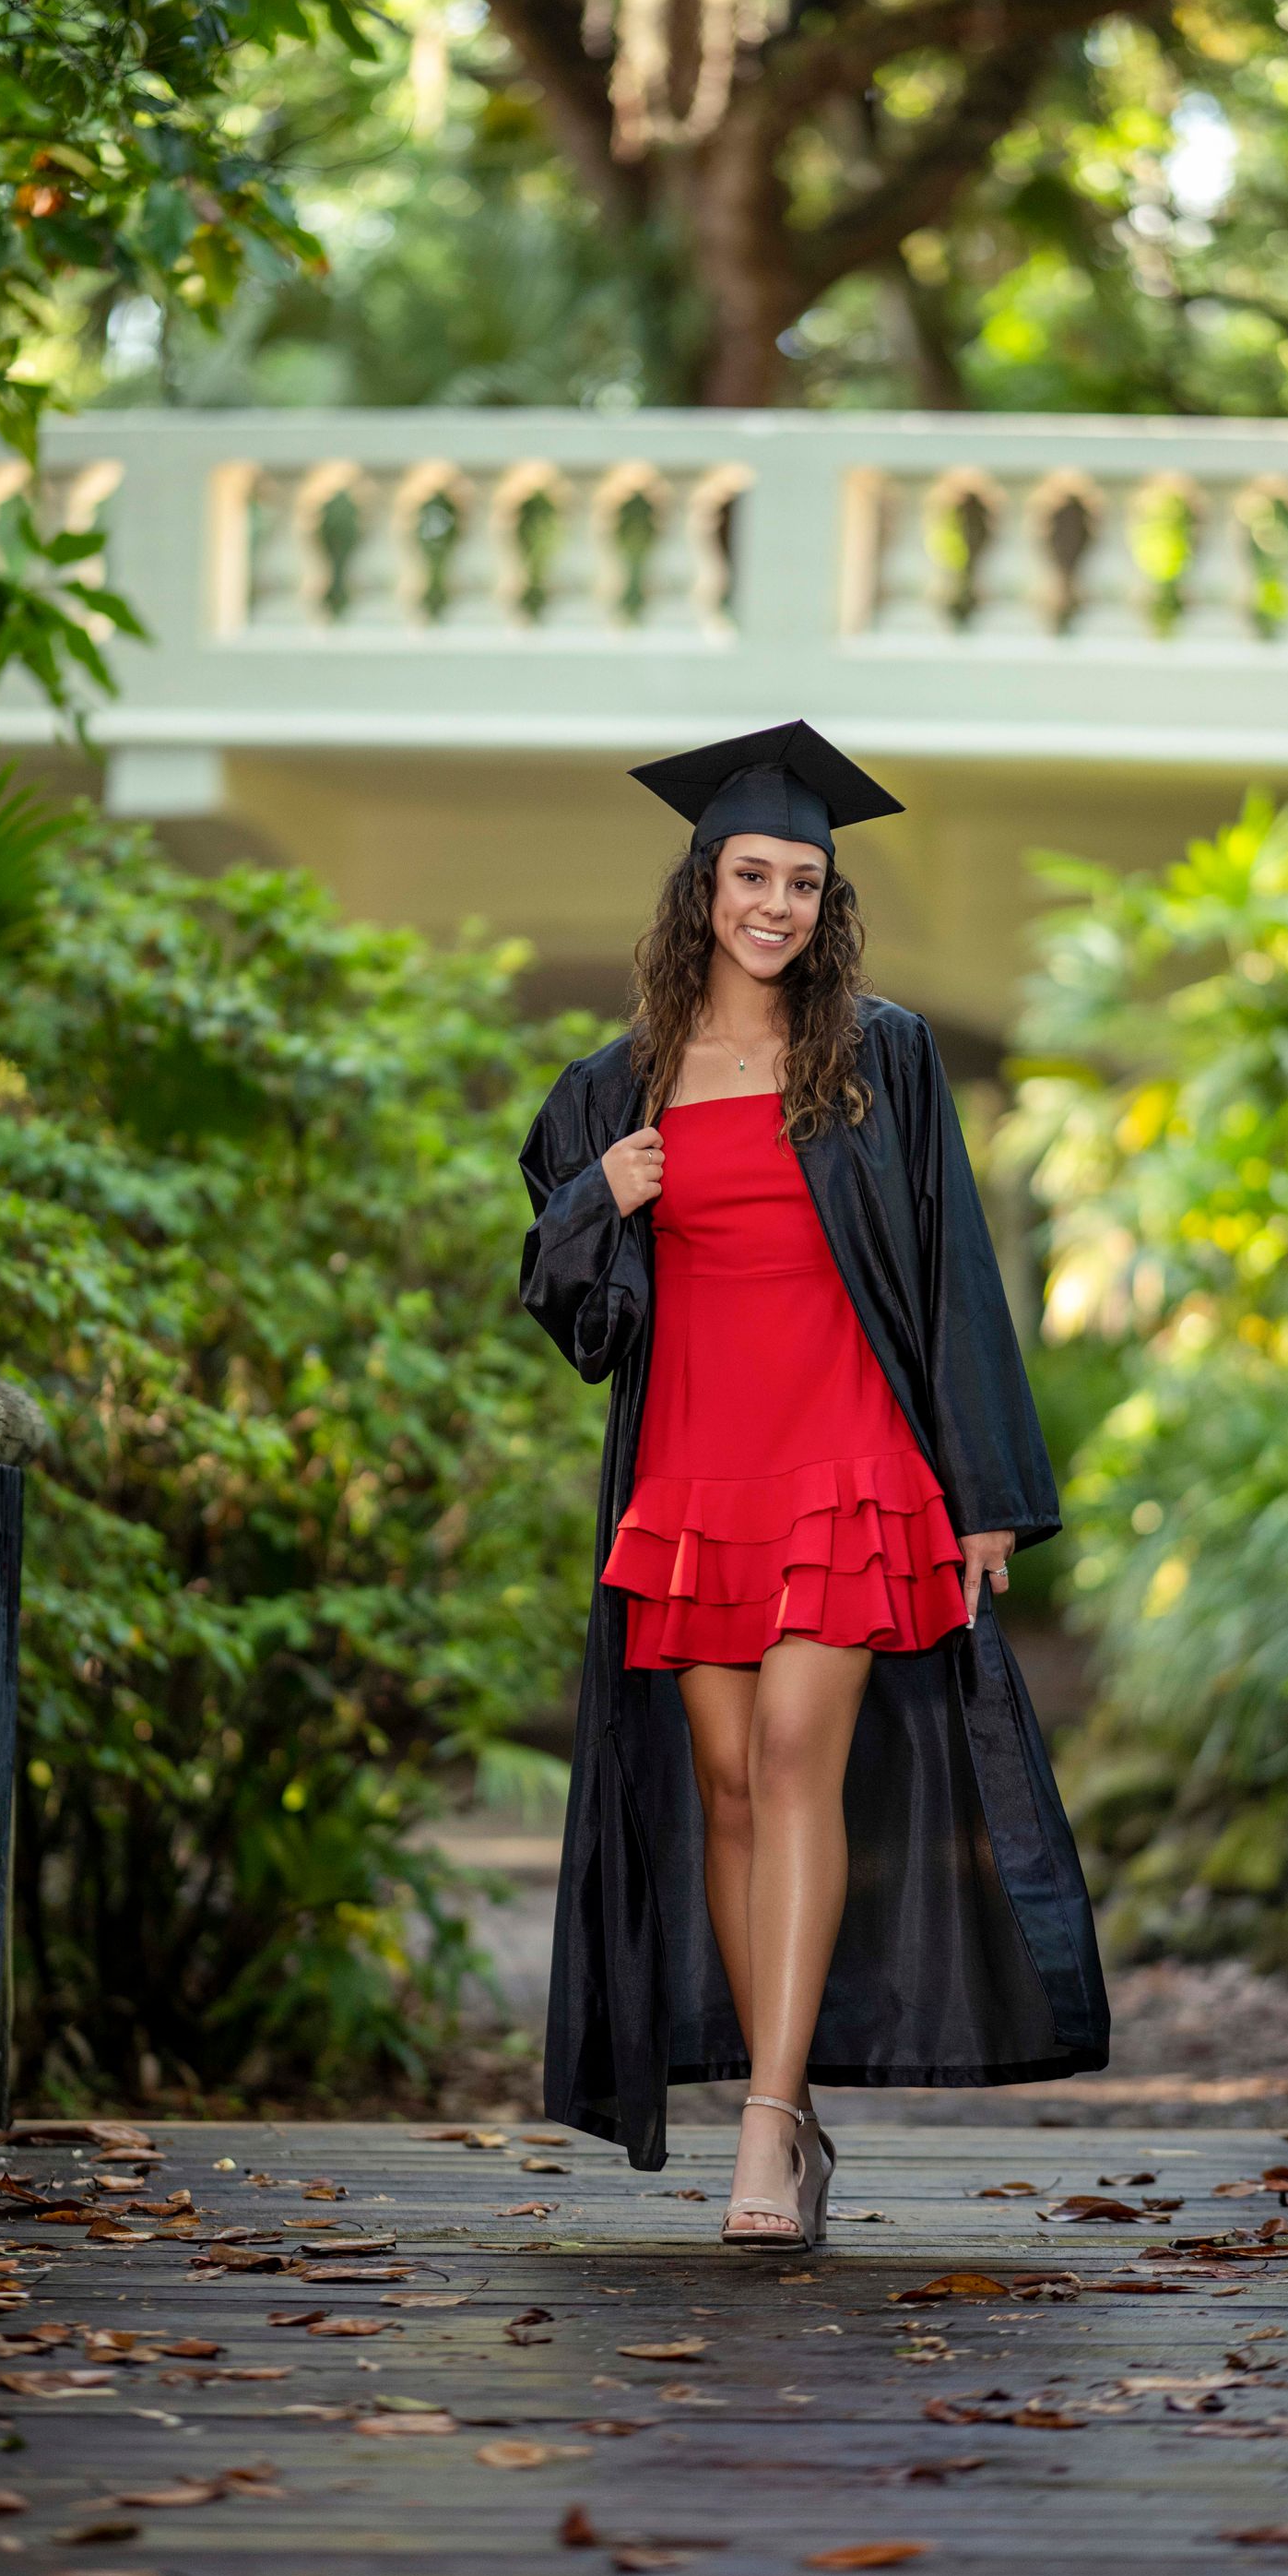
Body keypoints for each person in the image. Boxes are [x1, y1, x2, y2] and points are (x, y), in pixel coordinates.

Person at [519, 720, 1108, 2248]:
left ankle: (769, 2131)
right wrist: (600, 1196)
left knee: (793, 1757)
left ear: (827, 898)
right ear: (701, 885)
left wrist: (982, 1490)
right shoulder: (617, 1087)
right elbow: (564, 1300)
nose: (773, 904)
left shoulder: (883, 1057)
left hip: (850, 1459)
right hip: (695, 1471)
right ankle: (785, 2119)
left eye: (801, 880)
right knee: (723, 1787)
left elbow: (954, 1272)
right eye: (749, 875)